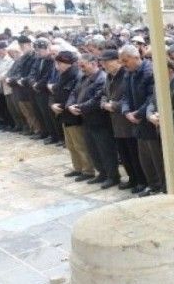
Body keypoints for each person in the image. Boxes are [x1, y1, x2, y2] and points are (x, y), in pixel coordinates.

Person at [68, 53, 121, 189]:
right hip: (87, 120)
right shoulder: (83, 78)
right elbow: (74, 93)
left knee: (105, 150)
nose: (81, 69)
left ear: (93, 63)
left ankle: (112, 176)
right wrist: (70, 105)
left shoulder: (101, 79)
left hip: (100, 121)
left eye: (83, 65)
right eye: (80, 66)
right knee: (93, 149)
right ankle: (102, 173)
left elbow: (97, 99)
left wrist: (79, 107)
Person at [99, 49, 146, 193]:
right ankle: (132, 178)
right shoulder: (109, 76)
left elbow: (128, 98)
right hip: (116, 122)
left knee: (134, 154)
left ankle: (140, 180)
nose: (104, 65)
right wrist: (104, 103)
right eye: (102, 62)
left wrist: (114, 105)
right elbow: (104, 94)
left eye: (106, 62)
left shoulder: (126, 74)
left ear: (116, 61)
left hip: (128, 120)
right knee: (124, 154)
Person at [120, 44, 164, 197]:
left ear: (136, 57)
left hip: (149, 121)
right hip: (136, 122)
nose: (123, 65)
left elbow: (152, 97)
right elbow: (124, 95)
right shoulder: (128, 73)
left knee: (156, 158)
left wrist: (138, 113)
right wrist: (126, 112)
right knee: (145, 158)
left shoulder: (149, 71)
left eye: (125, 61)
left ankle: (161, 187)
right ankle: (152, 185)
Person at [50, 51, 94, 182]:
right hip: (64, 114)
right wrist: (52, 104)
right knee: (71, 145)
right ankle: (78, 167)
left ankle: (88, 169)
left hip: (73, 115)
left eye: (60, 63)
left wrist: (63, 106)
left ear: (67, 63)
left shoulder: (76, 75)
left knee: (80, 144)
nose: (57, 65)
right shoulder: (62, 75)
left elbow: (74, 95)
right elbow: (55, 91)